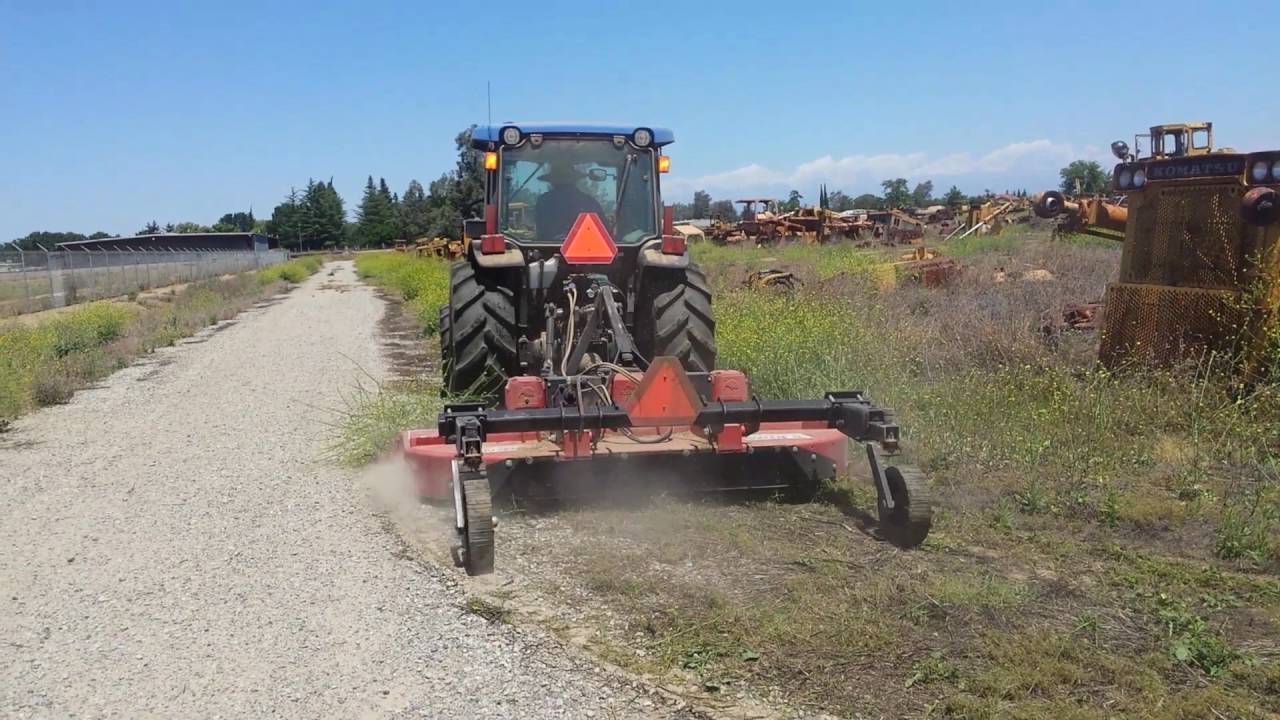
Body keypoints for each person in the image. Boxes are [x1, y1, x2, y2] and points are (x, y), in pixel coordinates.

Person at [535, 162, 604, 242]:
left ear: (552, 181)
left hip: (547, 252)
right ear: (575, 180)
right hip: (586, 251)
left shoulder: (543, 202)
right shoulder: (590, 202)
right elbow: (604, 232)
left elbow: (540, 233)